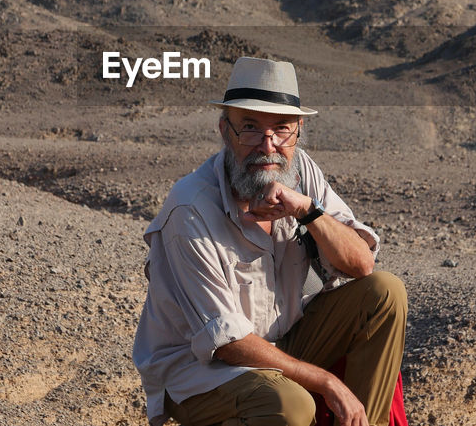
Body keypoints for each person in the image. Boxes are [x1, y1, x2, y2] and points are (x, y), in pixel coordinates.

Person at [133, 56, 407, 426]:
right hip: (202, 371)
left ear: (298, 130)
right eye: (250, 127)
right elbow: (229, 343)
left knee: (385, 293)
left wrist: (308, 211)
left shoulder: (300, 170)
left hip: (284, 341)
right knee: (290, 404)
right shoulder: (190, 210)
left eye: (282, 129)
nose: (268, 145)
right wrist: (326, 381)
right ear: (224, 130)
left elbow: (362, 264)